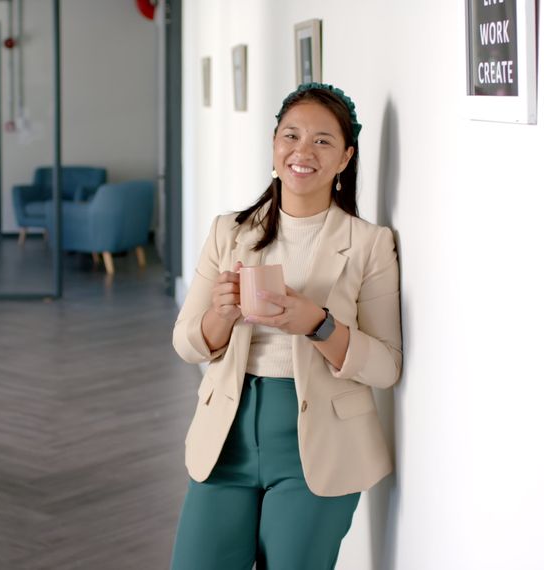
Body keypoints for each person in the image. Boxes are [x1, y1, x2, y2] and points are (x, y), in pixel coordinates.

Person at [169, 82, 402, 570]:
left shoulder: (369, 244)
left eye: (322, 141)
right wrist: (222, 314)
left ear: (345, 158)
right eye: (290, 136)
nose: (303, 151)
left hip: (320, 445)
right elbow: (187, 343)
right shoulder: (228, 232)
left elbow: (385, 366)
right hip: (226, 434)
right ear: (274, 146)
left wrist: (318, 325)